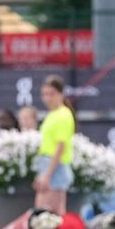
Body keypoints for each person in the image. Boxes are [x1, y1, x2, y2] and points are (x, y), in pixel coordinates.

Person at [33, 74, 75, 214]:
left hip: (55, 167)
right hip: (49, 165)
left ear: (61, 94)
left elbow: (60, 147)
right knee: (53, 216)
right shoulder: (53, 114)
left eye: (52, 94)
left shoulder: (63, 115)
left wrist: (47, 176)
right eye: (44, 94)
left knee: (45, 218)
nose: (47, 98)